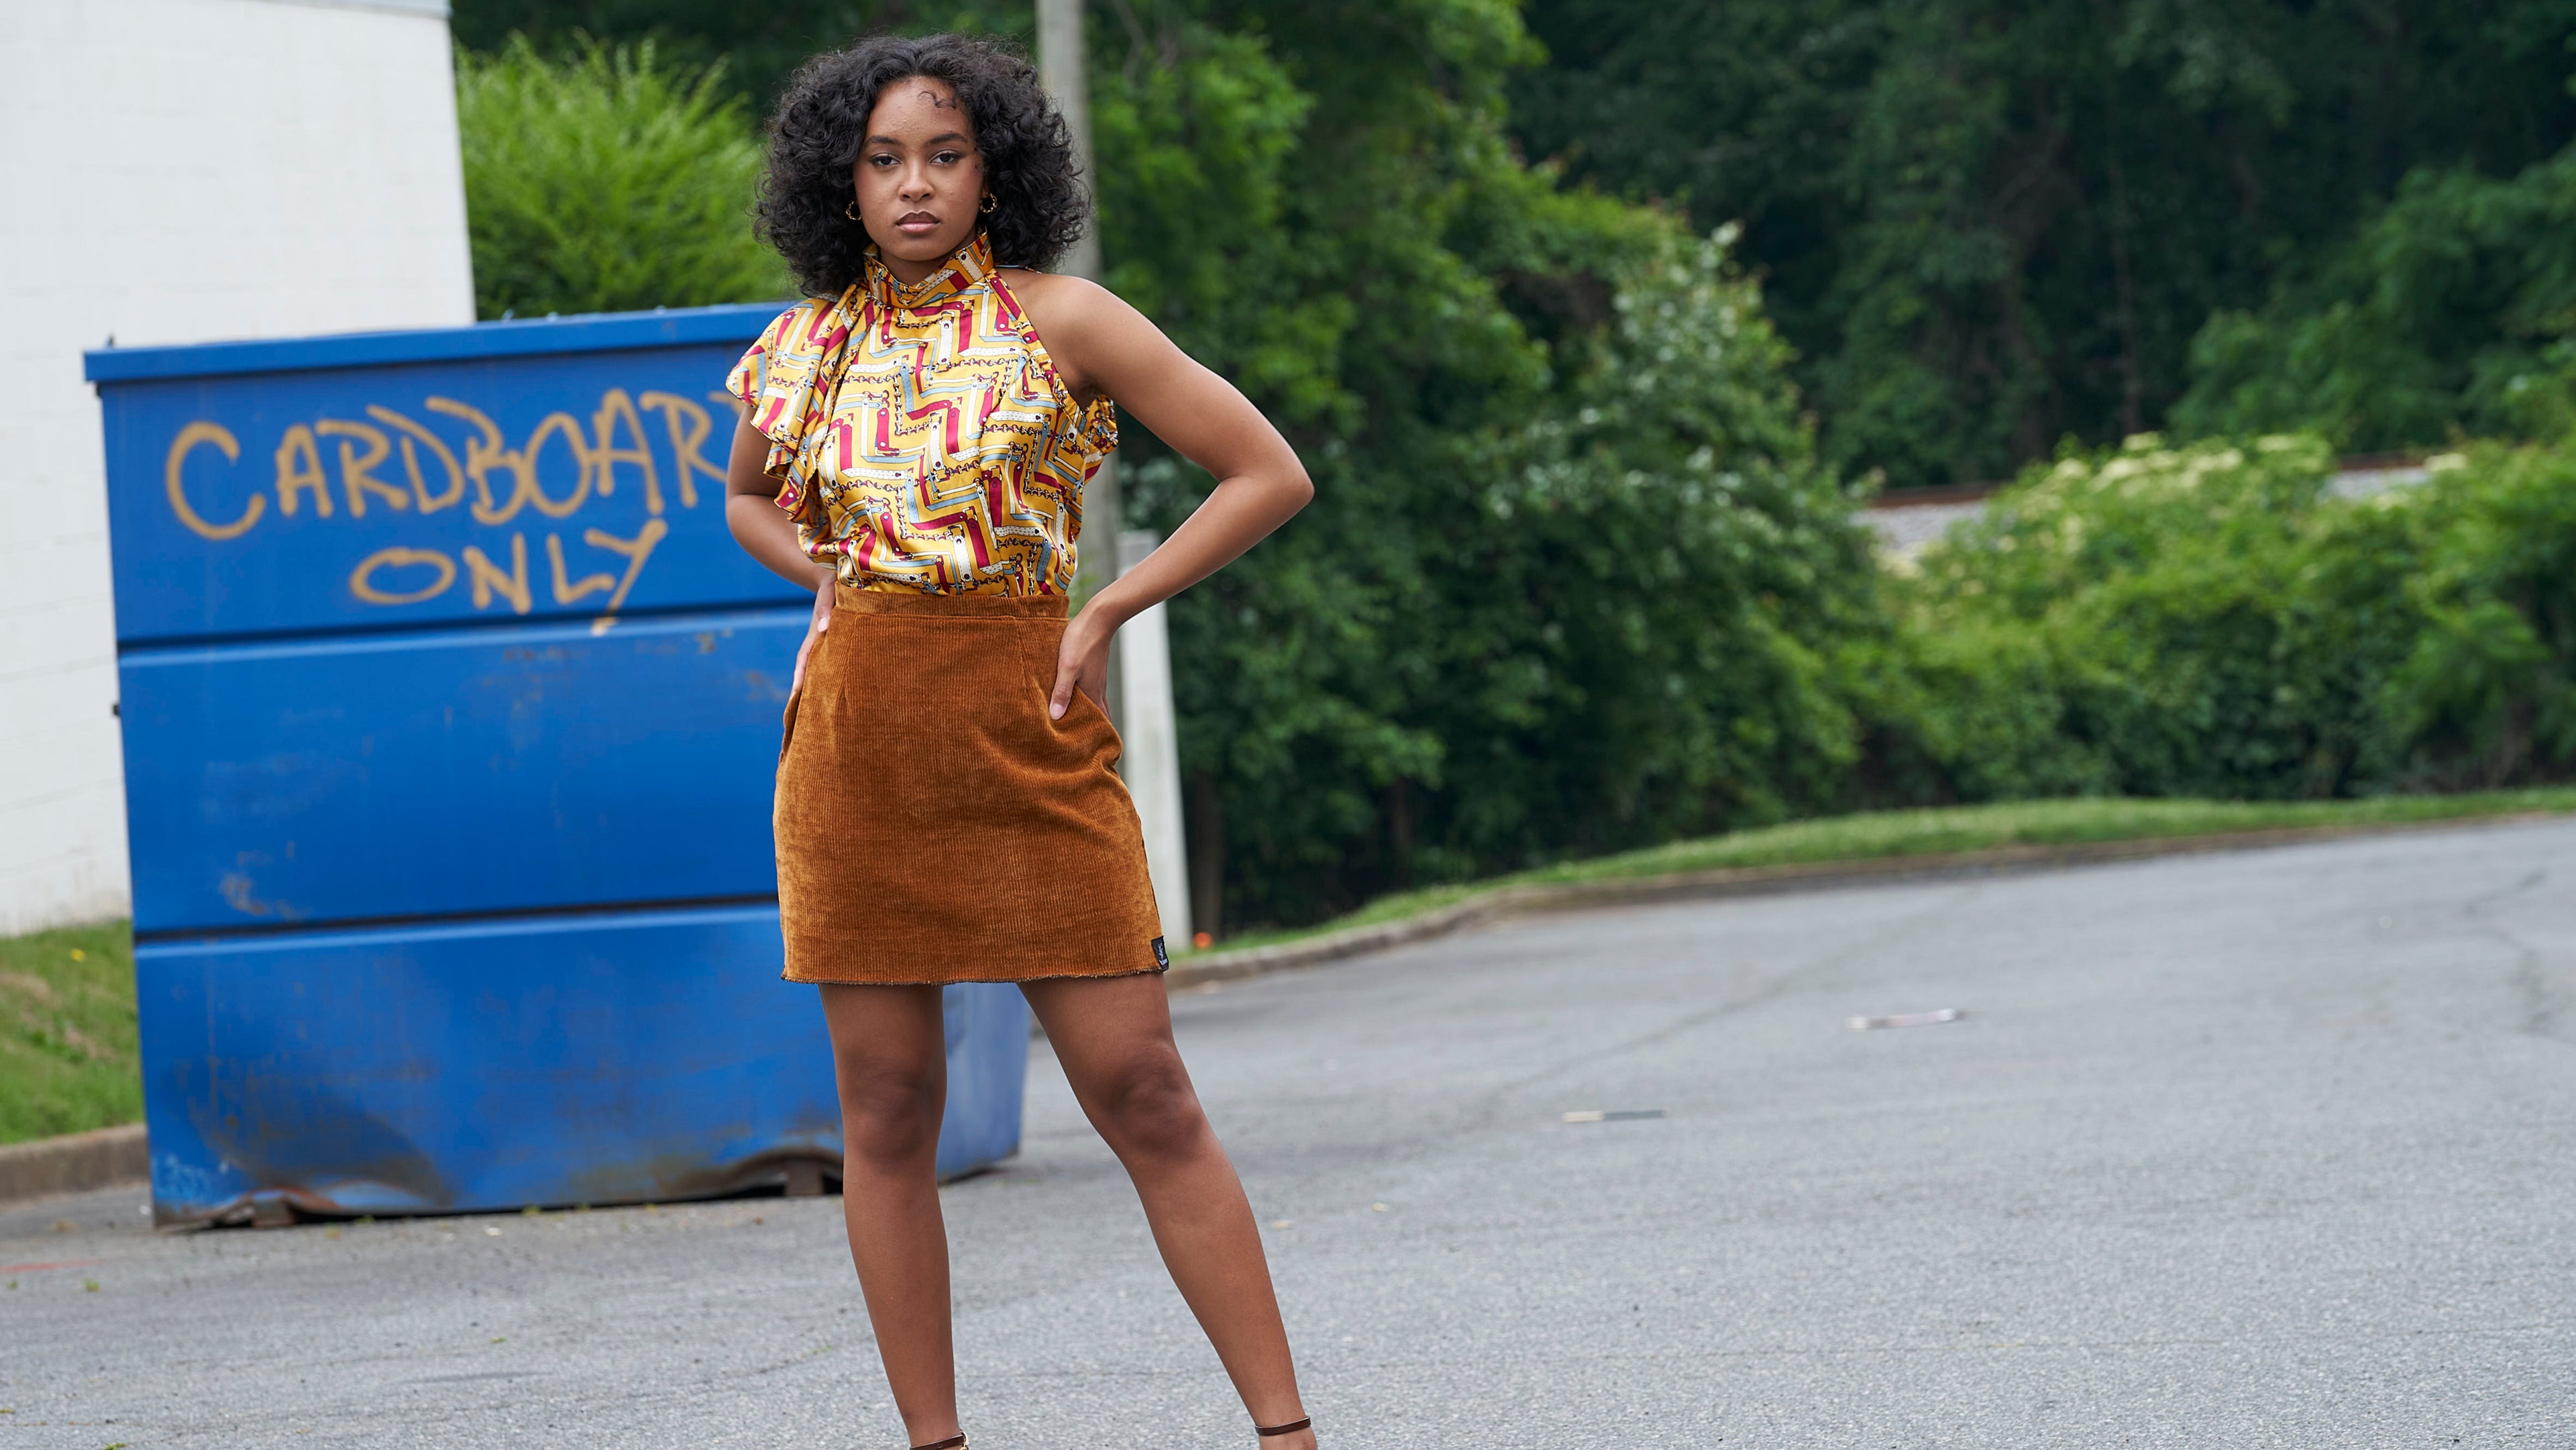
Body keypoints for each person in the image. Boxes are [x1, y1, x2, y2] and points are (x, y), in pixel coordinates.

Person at [720, 32, 1318, 1450]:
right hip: (855, 748)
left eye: (944, 154)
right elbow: (746, 502)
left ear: (996, 169)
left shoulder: (1066, 318)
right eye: (883, 160)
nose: (913, 186)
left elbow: (1268, 472)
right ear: (841, 180)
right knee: (886, 1110)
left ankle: (1288, 1434)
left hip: (1029, 730)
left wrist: (1112, 600)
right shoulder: (800, 346)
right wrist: (831, 582)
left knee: (1145, 1089)